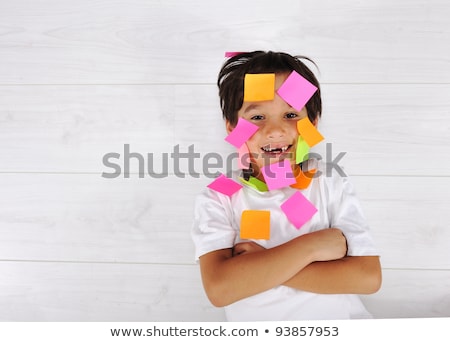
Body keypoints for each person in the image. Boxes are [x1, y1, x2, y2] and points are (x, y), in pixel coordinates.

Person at [191, 51, 382, 321]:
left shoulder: (328, 181)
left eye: (291, 114)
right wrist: (313, 247)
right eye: (257, 117)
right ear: (233, 127)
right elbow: (221, 289)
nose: (275, 130)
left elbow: (367, 277)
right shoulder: (220, 195)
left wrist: (256, 268)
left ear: (312, 124)